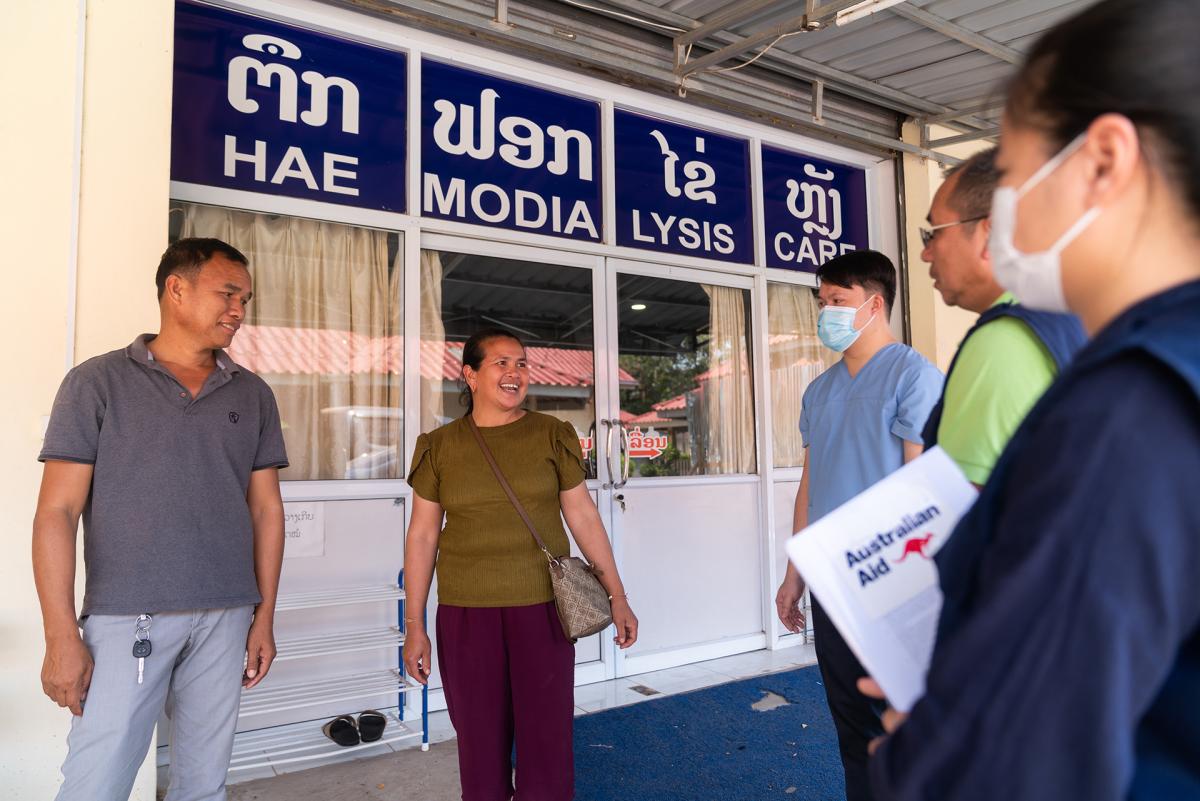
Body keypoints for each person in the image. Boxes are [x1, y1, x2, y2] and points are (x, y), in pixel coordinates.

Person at [864, 1, 1200, 798]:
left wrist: (941, 739)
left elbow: (1018, 762)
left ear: (1106, 159)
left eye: (1011, 174)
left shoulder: (1129, 410)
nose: (998, 217)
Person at [33, 238, 288, 801]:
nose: (239, 312)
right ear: (177, 289)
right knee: (95, 785)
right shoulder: (97, 382)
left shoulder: (252, 393)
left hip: (227, 614)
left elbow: (267, 509)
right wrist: (60, 636)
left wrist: (263, 615)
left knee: (203, 783)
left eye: (245, 299)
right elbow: (57, 510)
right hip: (128, 617)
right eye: (228, 294)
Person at [402, 328, 638, 801]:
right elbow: (423, 535)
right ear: (469, 375)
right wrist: (415, 624)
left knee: (546, 739)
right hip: (467, 614)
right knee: (480, 743)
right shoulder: (439, 446)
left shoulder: (551, 433)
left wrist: (618, 596)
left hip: (542, 610)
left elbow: (583, 516)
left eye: (522, 363)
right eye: (501, 363)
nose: (515, 373)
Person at [774, 250, 942, 801]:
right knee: (850, 720)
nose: (827, 314)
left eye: (838, 302)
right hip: (832, 578)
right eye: (823, 303)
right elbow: (810, 485)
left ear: (875, 303)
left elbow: (922, 488)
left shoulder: (913, 375)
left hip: (894, 577)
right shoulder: (818, 392)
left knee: (906, 722)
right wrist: (794, 572)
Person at [919, 147, 1085, 486]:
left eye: (934, 232)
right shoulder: (1081, 316)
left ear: (989, 235)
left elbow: (961, 508)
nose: (925, 253)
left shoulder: (1004, 342)